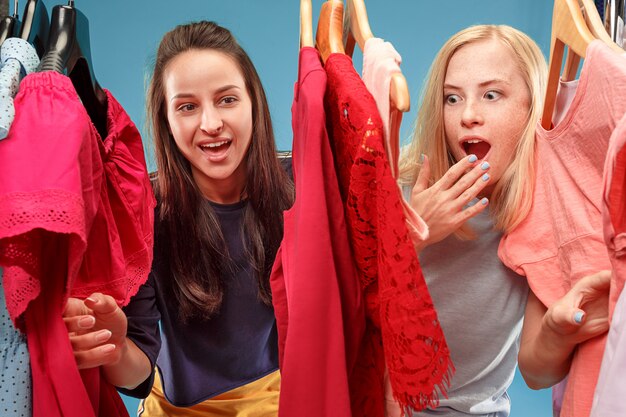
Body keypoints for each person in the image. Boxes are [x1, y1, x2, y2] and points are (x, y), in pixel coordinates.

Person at [62, 20, 293, 416]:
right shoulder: (146, 209)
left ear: (254, 100)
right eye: (187, 106)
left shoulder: (298, 184)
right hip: (176, 409)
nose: (211, 124)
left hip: (278, 399)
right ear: (166, 120)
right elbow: (136, 376)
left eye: (227, 99)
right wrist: (115, 345)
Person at [397, 24, 610, 416]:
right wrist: (410, 238)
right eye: (452, 98)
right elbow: (342, 321)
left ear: (531, 106)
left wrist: (556, 331)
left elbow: (535, 371)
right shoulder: (401, 192)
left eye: (491, 95)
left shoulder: (542, 209)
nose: (469, 116)